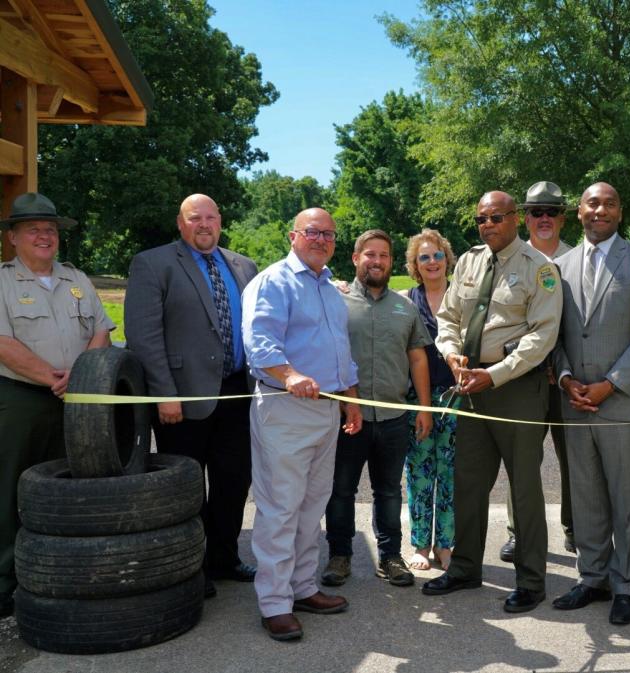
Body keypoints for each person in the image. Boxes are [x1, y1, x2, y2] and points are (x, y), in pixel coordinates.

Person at [422, 191, 561, 614]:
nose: (487, 226)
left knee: (523, 488)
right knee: (468, 481)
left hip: (516, 388)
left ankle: (531, 580)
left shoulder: (540, 268)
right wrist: (451, 354)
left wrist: (494, 374)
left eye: (495, 218)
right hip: (470, 385)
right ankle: (465, 568)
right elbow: (447, 318)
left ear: (514, 218)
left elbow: (542, 336)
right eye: (481, 219)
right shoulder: (467, 261)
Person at [125, 194, 258, 599]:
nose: (204, 224)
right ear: (180, 224)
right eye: (194, 217)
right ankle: (192, 564)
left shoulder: (243, 265)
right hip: (181, 398)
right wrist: (164, 394)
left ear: (221, 221)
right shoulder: (153, 263)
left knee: (233, 481)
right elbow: (143, 336)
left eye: (211, 217)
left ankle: (224, 557)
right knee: (186, 487)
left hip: (238, 392)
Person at [242, 207, 362, 641]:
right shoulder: (273, 281)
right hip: (284, 406)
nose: (322, 240)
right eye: (314, 232)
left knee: (314, 503)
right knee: (281, 506)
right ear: (293, 235)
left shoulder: (330, 286)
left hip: (326, 408)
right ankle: (274, 603)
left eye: (330, 234)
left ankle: (303, 586)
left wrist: (350, 399)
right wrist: (291, 375)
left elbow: (340, 349)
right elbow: (259, 342)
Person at [551, 182, 630, 625]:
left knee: (625, 499)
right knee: (586, 498)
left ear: (620, 212)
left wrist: (610, 384)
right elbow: (554, 335)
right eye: (592, 203)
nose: (600, 210)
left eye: (609, 204)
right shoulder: (559, 267)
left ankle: (625, 586)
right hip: (574, 403)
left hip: (623, 404)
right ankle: (592, 578)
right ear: (578, 211)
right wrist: (564, 378)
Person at [0, 193, 114, 618]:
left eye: (50, 229)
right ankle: (6, 582)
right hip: (21, 399)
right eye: (33, 229)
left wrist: (79, 377)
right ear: (13, 238)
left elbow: (101, 331)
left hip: (77, 401)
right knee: (12, 487)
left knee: (69, 489)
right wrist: (52, 377)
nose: (44, 236)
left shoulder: (77, 279)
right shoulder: (3, 281)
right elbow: (3, 343)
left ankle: (63, 574)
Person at [321, 230, 432, 589]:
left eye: (384, 255)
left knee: (388, 492)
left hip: (394, 418)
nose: (377, 261)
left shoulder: (405, 307)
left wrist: (425, 409)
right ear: (355, 259)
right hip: (345, 419)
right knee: (340, 491)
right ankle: (339, 555)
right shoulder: (334, 302)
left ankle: (390, 557)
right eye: (370, 254)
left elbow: (417, 358)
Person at [499, 181, 576, 563]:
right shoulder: (510, 258)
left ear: (564, 217)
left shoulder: (578, 260)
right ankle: (519, 532)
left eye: (552, 211)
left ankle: (575, 528)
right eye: (536, 212)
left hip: (566, 381)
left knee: (574, 459)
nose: (544, 219)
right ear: (524, 217)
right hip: (524, 377)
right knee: (522, 461)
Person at [399, 229, 458, 571]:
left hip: (455, 398)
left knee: (450, 472)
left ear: (447, 259)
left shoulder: (462, 298)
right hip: (416, 398)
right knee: (420, 472)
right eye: (424, 257)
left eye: (437, 255)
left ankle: (445, 545)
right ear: (415, 265)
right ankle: (421, 545)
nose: (432, 262)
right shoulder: (406, 301)